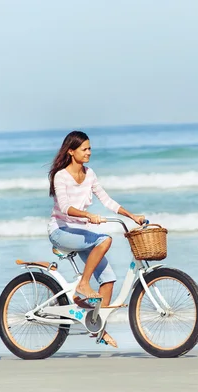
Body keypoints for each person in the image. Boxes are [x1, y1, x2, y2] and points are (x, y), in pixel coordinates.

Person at [47, 130, 145, 348]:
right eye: (84, 149)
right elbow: (64, 207)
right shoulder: (60, 176)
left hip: (81, 233)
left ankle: (99, 329)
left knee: (108, 280)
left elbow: (107, 200)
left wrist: (132, 216)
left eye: (90, 148)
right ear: (71, 152)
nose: (89, 152)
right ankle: (83, 284)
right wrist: (88, 215)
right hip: (61, 231)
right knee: (104, 240)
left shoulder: (89, 173)